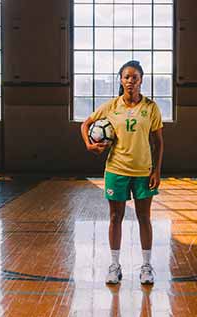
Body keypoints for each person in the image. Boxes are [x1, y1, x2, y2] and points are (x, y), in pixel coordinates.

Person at [80, 60, 164, 285]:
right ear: (120, 79)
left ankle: (146, 267)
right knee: (115, 217)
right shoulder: (111, 106)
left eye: (134, 77)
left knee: (144, 218)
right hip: (116, 170)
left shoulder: (150, 107)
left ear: (141, 80)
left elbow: (158, 143)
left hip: (143, 172)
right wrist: (89, 144)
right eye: (126, 77)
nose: (130, 81)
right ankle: (115, 265)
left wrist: (156, 170)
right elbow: (85, 124)